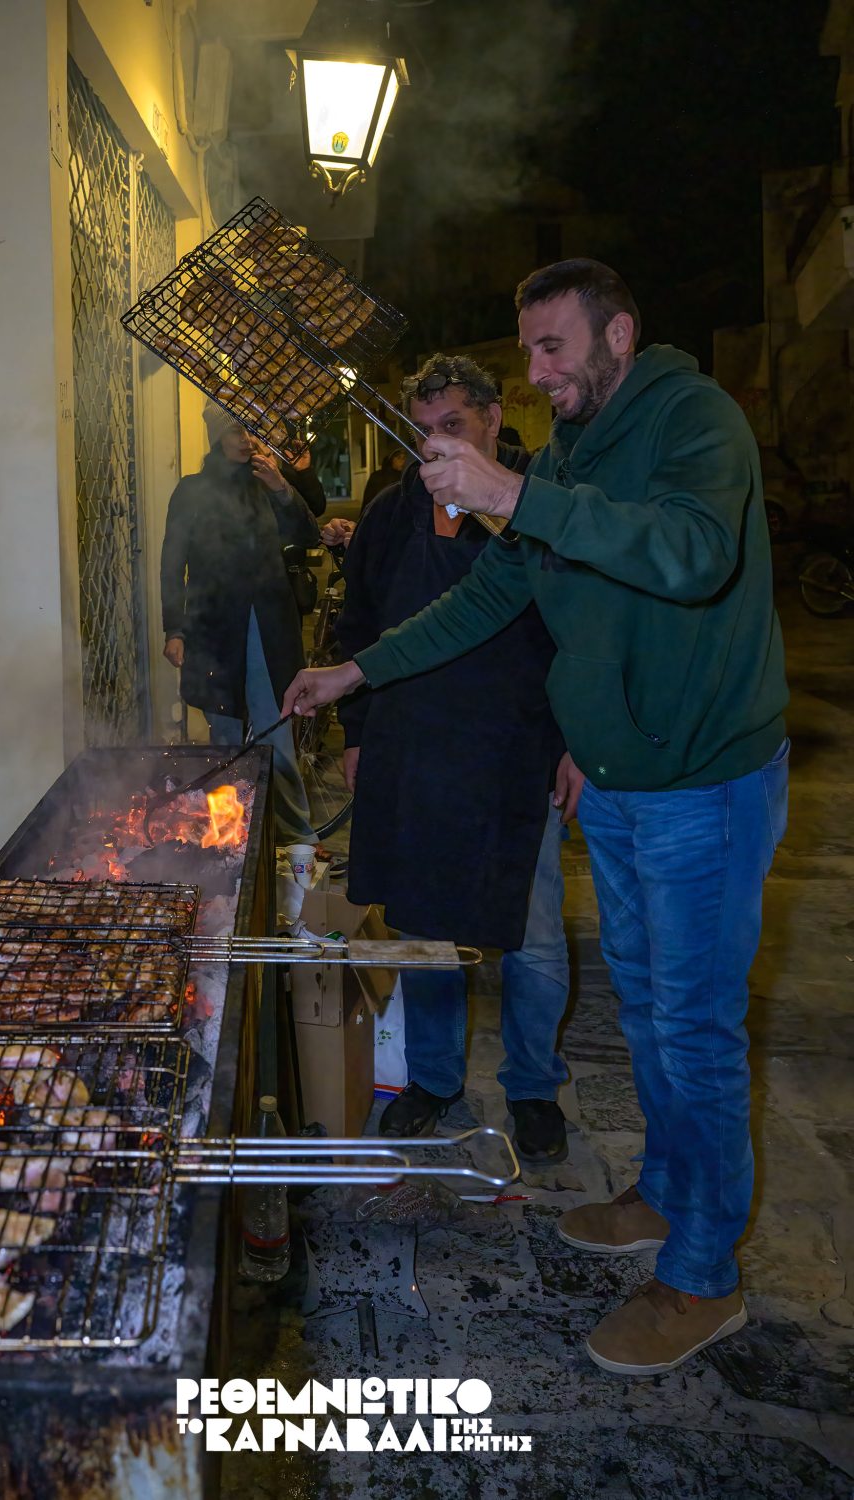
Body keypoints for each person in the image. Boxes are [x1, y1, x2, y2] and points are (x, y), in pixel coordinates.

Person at [282, 259, 789, 1378]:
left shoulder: (691, 419)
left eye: (556, 348)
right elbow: (488, 597)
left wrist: (514, 495)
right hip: (615, 780)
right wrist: (352, 671)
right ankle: (664, 1194)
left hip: (701, 782)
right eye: (530, 353)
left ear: (619, 333)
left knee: (697, 1031)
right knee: (650, 1009)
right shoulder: (571, 452)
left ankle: (703, 1277)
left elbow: (691, 555)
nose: (539, 372)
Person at [335, 354, 573, 1163]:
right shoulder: (390, 515)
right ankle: (434, 1081)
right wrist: (357, 734)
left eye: (454, 428)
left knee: (530, 931)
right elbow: (358, 625)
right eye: (423, 431)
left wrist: (571, 747)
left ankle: (534, 1088)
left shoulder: (536, 507)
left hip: (517, 749)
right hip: (410, 749)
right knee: (424, 928)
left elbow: (579, 632)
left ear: (495, 421)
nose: (435, 447)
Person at [161, 402, 319, 844]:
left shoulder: (266, 482)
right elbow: (172, 562)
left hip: (269, 625)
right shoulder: (192, 490)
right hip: (213, 626)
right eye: (235, 429)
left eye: (251, 427)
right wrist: (174, 628)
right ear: (215, 435)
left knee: (276, 725)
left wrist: (283, 488)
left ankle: (294, 837)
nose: (246, 438)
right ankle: (232, 838)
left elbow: (309, 534)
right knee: (226, 736)